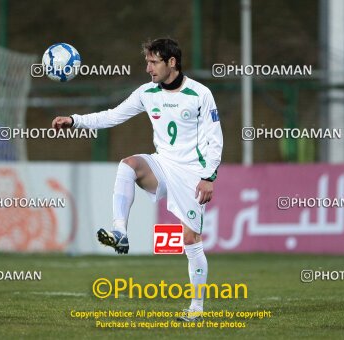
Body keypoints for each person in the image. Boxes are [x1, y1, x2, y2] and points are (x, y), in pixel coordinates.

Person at [52, 38, 223, 322]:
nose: (148, 68)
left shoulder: (200, 94)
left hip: (192, 174)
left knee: (190, 239)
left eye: (153, 62)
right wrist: (74, 120)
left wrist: (208, 177)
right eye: (147, 62)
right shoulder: (147, 93)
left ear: (172, 62)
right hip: (161, 164)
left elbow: (214, 139)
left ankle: (196, 308)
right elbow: (111, 116)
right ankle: (120, 231)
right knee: (129, 165)